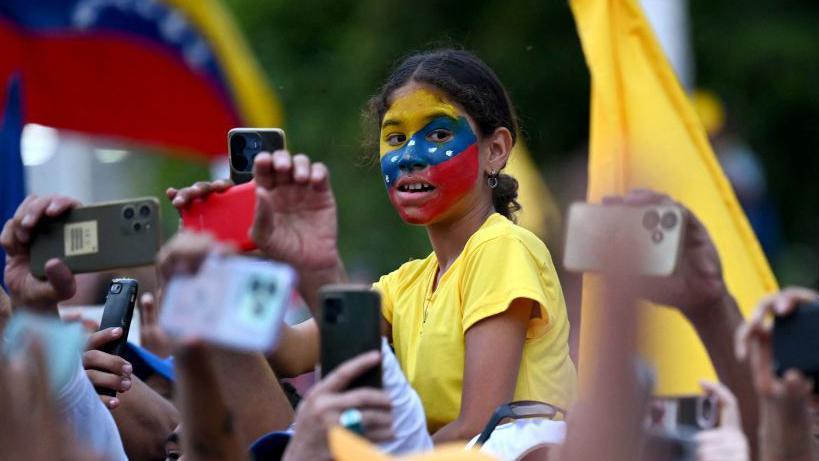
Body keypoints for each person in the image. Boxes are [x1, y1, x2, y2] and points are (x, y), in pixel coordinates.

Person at [170, 48, 577, 443]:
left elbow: (477, 429)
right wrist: (238, 256)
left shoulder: (502, 247)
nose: (410, 157)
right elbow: (288, 352)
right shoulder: (405, 284)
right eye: (396, 138)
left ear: (496, 150)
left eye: (437, 133)